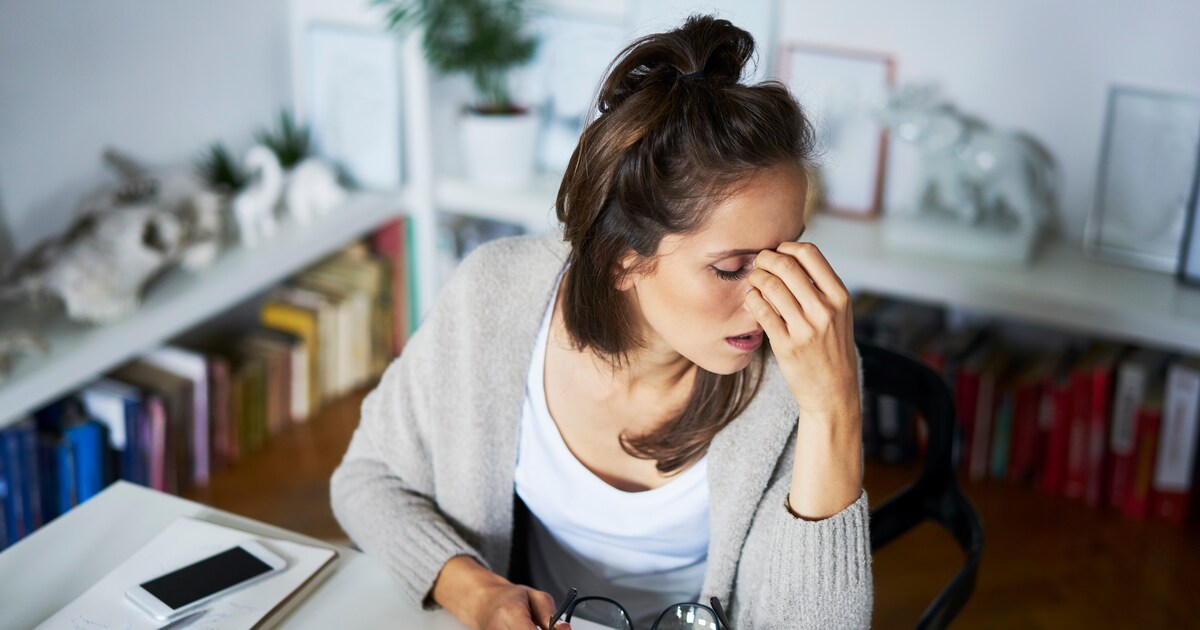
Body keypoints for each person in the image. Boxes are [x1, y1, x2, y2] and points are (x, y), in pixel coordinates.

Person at [332, 14, 872, 630]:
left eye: (788, 253)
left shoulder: (803, 370)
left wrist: (835, 408)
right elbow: (368, 479)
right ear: (623, 259)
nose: (773, 301)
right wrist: (478, 592)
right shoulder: (493, 296)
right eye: (731, 267)